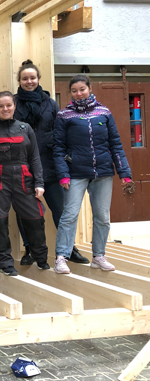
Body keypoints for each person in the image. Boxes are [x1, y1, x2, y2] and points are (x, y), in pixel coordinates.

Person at [52, 75, 132, 274]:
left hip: (103, 173)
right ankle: (61, 257)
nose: (79, 93)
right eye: (74, 91)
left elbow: (115, 143)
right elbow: (58, 147)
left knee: (103, 217)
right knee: (69, 215)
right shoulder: (64, 115)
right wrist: (63, 174)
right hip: (76, 173)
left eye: (82, 89)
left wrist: (125, 172)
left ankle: (99, 256)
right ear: (70, 93)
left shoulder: (104, 112)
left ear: (89, 88)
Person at [14, 59, 89, 266]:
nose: (29, 81)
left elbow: (60, 133)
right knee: (26, 212)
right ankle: (29, 249)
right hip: (24, 167)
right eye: (25, 78)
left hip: (50, 165)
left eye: (32, 78)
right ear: (19, 81)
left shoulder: (50, 103)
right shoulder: (13, 103)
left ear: (38, 79)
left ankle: (68, 249)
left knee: (62, 211)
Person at [0, 92, 50, 276]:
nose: (5, 109)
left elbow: (35, 158)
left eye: (8, 105)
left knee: (35, 220)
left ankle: (41, 259)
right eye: (1, 106)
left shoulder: (26, 129)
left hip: (24, 180)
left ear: (14, 106)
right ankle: (5, 263)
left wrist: (39, 182)